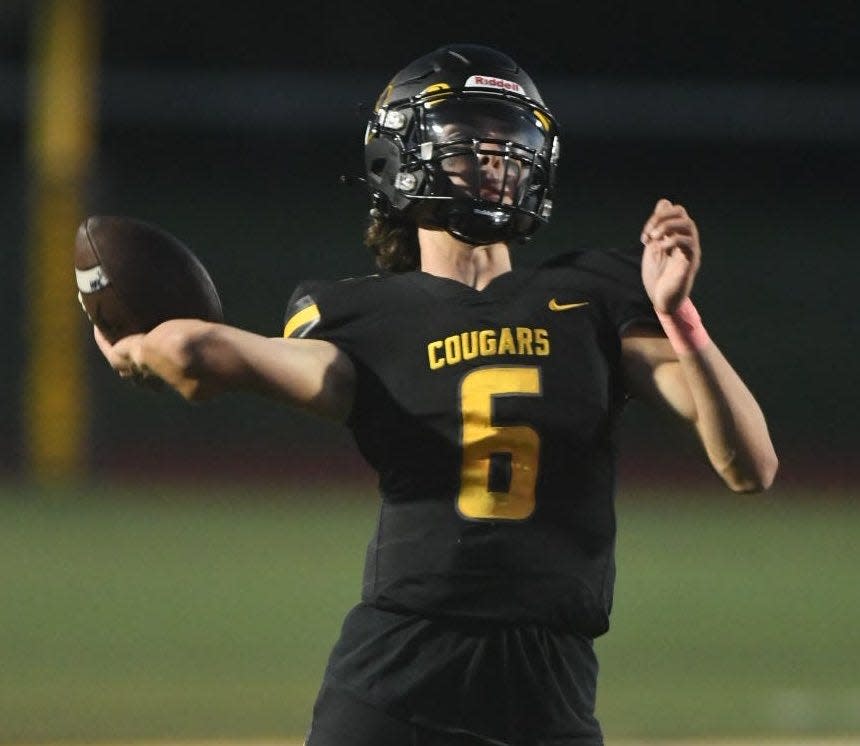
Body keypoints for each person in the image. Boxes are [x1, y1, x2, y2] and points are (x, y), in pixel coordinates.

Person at [94, 44, 778, 746]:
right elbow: (198, 353)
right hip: (401, 679)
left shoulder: (595, 294)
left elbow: (750, 464)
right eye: (469, 146)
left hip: (552, 684)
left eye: (509, 147)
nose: (496, 163)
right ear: (402, 158)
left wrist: (679, 316)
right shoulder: (363, 317)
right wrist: (135, 347)